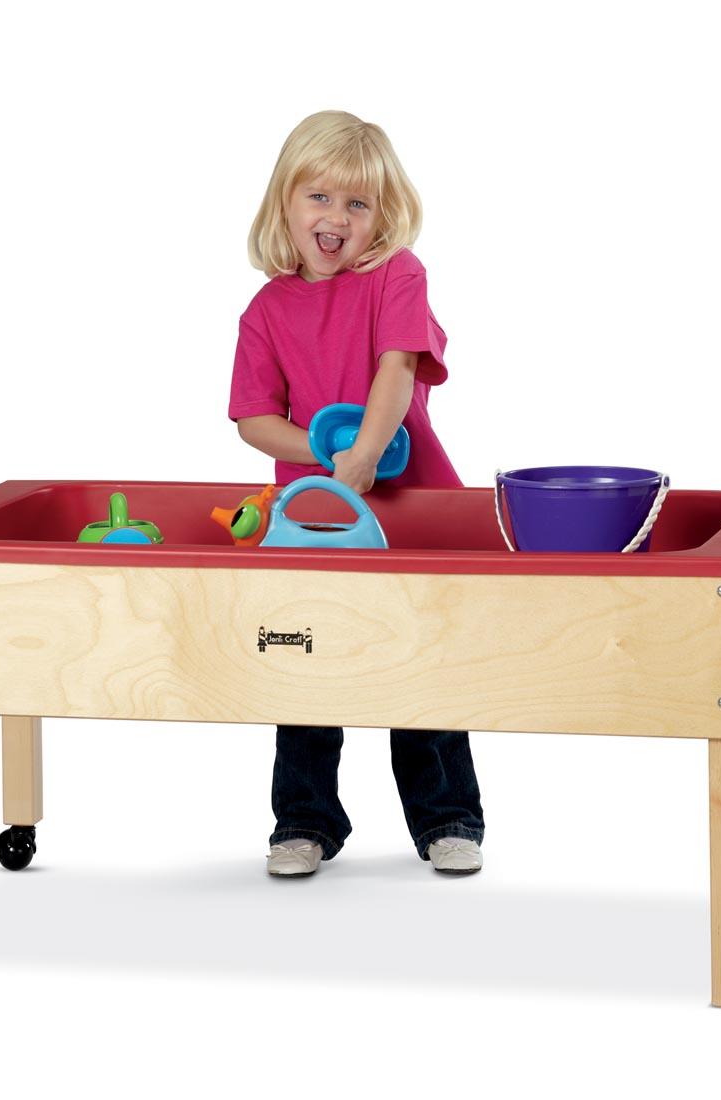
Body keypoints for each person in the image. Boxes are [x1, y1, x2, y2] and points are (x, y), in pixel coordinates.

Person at [229, 110, 485, 877]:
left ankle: (446, 818)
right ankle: (304, 821)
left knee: (422, 663)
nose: (336, 217)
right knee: (305, 658)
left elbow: (396, 368)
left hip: (412, 509)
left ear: (382, 214)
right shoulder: (267, 310)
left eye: (358, 204)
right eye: (319, 197)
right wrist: (324, 455)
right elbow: (252, 418)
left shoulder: (397, 276)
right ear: (285, 203)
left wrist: (366, 455)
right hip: (313, 521)